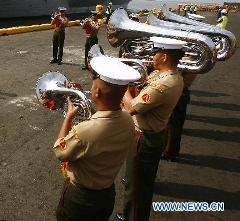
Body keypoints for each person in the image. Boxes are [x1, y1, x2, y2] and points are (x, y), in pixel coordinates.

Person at [53, 56, 141, 221]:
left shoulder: (85, 131)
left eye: (93, 85)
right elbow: (103, 119)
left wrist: (68, 119)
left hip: (81, 198)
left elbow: (60, 151)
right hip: (107, 193)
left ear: (97, 92)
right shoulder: (128, 120)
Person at [116, 36, 186, 221]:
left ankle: (133, 216)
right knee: (143, 180)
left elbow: (131, 108)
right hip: (155, 134)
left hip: (144, 139)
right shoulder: (168, 76)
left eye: (155, 53)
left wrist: (122, 85)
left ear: (164, 57)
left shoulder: (163, 84)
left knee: (137, 185)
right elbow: (144, 85)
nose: (152, 56)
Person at [161, 70, 197, 161]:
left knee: (171, 125)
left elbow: (171, 76)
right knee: (175, 125)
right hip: (180, 92)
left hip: (177, 93)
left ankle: (169, 151)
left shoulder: (184, 60)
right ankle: (171, 151)